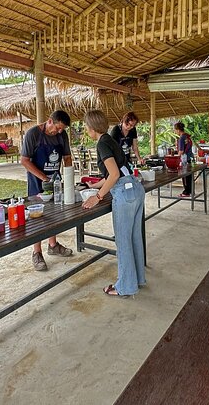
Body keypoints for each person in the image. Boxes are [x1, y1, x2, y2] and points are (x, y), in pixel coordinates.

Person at [82, 110, 145, 297]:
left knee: (123, 241)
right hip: (135, 188)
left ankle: (125, 286)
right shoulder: (110, 140)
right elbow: (115, 172)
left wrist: (98, 196)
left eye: (86, 126)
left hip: (124, 193)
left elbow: (115, 175)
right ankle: (137, 279)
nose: (86, 130)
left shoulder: (102, 143)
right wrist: (95, 185)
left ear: (92, 128)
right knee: (134, 237)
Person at [21, 110, 74, 271]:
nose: (58, 132)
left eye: (61, 130)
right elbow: (24, 160)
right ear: (49, 121)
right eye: (57, 128)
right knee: (37, 217)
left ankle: (53, 245)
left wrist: (69, 179)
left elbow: (66, 157)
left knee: (55, 213)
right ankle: (37, 253)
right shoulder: (33, 134)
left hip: (55, 180)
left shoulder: (62, 135)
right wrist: (44, 178)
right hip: (37, 182)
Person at [174, 122, 194, 197]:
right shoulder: (187, 136)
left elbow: (181, 151)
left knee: (185, 176)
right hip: (190, 158)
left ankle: (186, 192)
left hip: (185, 159)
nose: (175, 132)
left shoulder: (182, 137)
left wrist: (176, 158)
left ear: (178, 130)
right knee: (189, 175)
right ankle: (190, 190)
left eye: (175, 130)